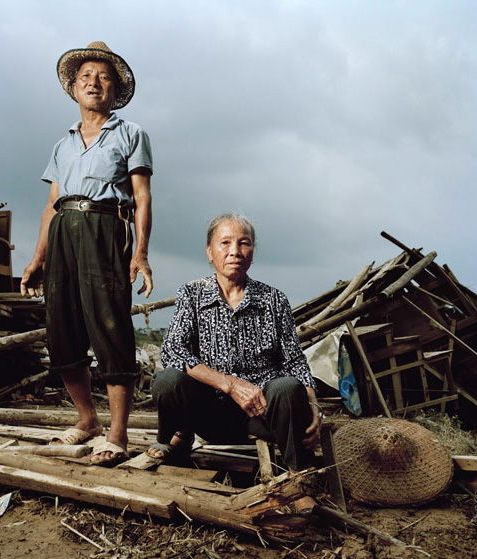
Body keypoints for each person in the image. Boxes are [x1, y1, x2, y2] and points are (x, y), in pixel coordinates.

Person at [21, 41, 153, 466]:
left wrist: (141, 254)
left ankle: (117, 432)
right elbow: (50, 205)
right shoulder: (62, 145)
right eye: (85, 77)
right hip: (63, 230)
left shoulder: (131, 134)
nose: (93, 82)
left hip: (105, 228)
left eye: (103, 77)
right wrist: (37, 257)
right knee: (61, 329)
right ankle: (87, 420)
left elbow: (143, 198)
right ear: (74, 89)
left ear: (114, 90)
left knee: (110, 325)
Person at [149, 213, 321, 510]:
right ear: (209, 251)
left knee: (288, 385)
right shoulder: (191, 294)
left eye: (244, 243)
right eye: (225, 243)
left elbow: (295, 360)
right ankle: (174, 439)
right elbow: (173, 350)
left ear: (252, 252)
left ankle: (296, 479)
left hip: (262, 414)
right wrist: (229, 384)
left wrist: (314, 408)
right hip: (207, 412)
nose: (235, 251)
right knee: (167, 380)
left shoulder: (274, 299)